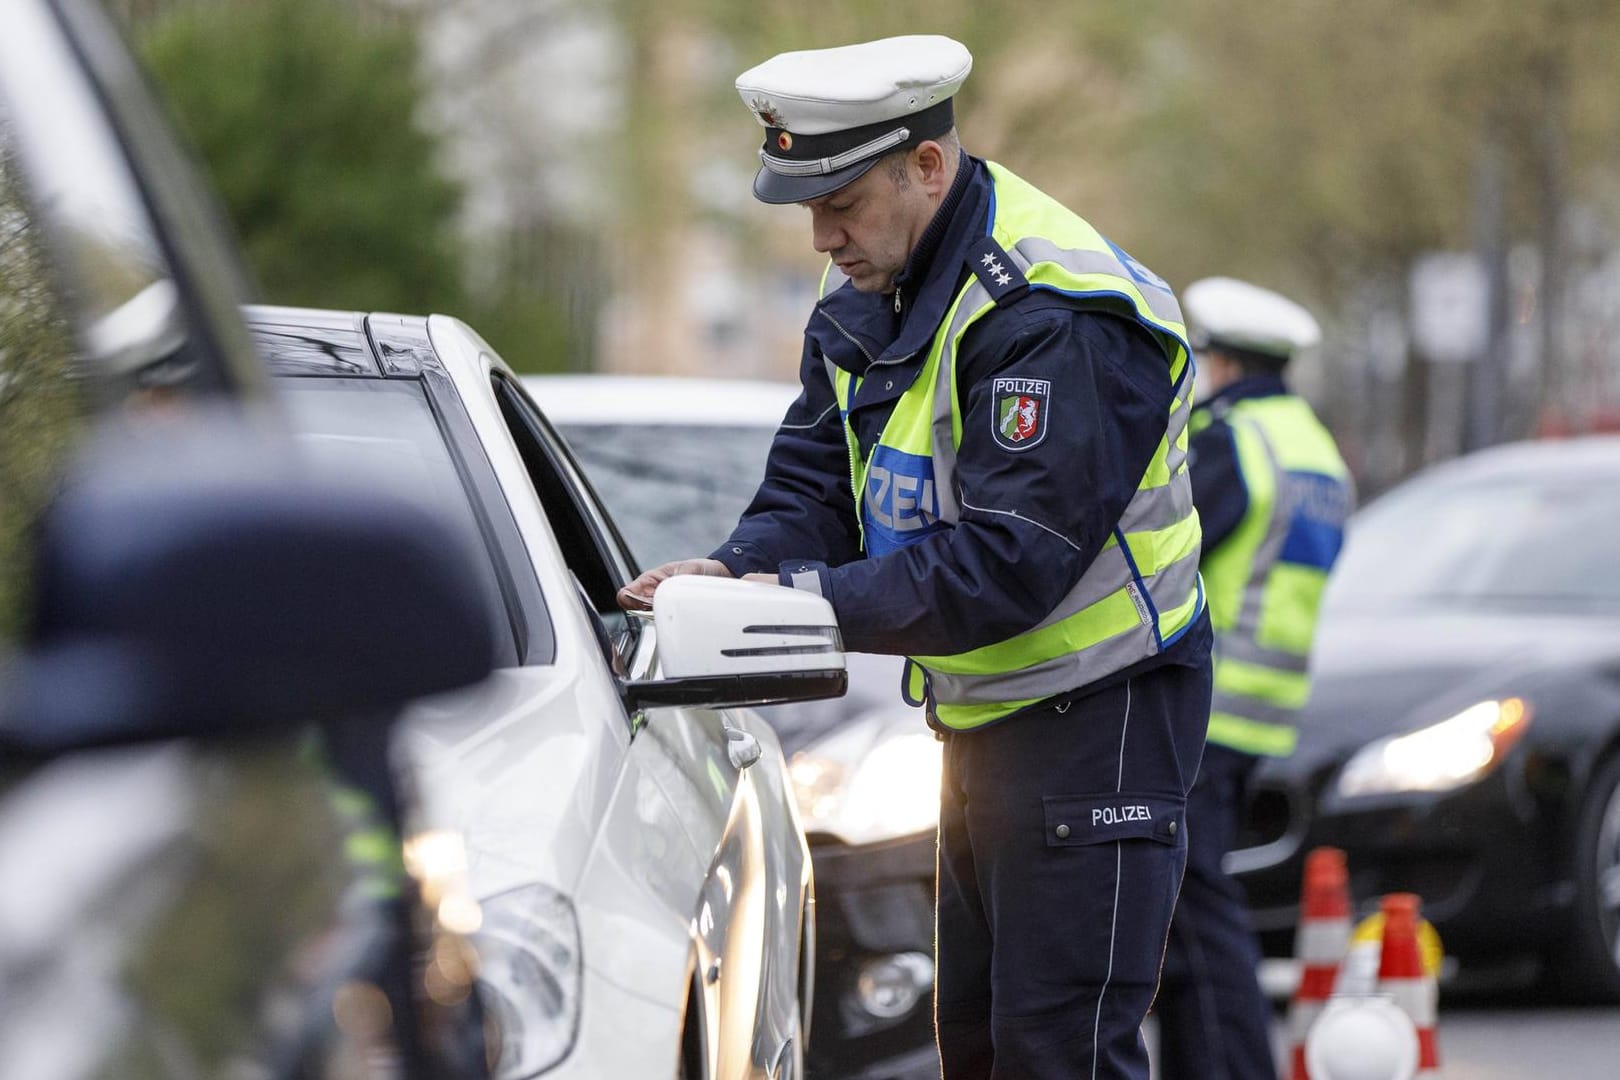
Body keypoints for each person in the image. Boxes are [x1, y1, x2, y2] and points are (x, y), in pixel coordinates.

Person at [617, 35, 1211, 1080]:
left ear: (926, 168)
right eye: (810, 209)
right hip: (985, 719)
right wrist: (734, 571)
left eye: (840, 203)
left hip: (1100, 715)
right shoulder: (869, 290)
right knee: (979, 1048)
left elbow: (1005, 567)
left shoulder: (1052, 314)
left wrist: (793, 608)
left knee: (1058, 1053)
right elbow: (812, 492)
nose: (820, 238)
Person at [1153, 277, 1354, 1079]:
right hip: (1264, 709)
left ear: (1224, 362)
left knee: (1196, 913)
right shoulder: (1313, 446)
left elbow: (1165, 548)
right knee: (1194, 905)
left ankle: (1234, 1069)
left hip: (1207, 703)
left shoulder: (1232, 439)